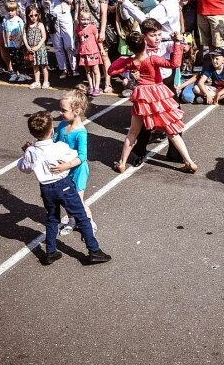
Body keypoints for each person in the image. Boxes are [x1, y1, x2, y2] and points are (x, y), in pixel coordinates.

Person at [17, 111, 111, 265]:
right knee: (82, 217)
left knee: (52, 218)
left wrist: (28, 151)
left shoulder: (31, 152)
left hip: (46, 189)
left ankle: (51, 252)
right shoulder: (60, 147)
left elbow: (24, 168)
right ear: (51, 131)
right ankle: (94, 251)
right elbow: (76, 156)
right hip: (63, 186)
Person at [107, 30, 198, 173]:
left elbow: (111, 71)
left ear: (130, 48)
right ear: (144, 43)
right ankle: (189, 161)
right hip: (158, 95)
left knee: (133, 132)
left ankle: (122, 163)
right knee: (171, 130)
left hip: (142, 97)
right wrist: (177, 43)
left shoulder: (131, 61)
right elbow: (175, 63)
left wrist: (123, 59)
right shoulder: (153, 59)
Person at [54, 85, 98, 236]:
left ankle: (89, 222)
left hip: (77, 170)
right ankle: (72, 220)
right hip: (64, 170)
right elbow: (53, 143)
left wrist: (67, 165)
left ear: (77, 111)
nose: (60, 113)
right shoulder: (61, 126)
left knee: (77, 200)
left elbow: (82, 156)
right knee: (65, 198)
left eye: (64, 110)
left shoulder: (81, 133)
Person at [43, 0, 76, 80]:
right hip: (52, 17)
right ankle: (63, 69)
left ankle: (74, 67)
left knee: (69, 43)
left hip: (64, 14)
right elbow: (43, 3)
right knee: (57, 45)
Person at [21, 5, 49, 90]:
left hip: (40, 49)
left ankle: (46, 81)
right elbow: (24, 36)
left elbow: (44, 37)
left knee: (43, 65)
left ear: (38, 15)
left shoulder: (40, 24)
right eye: (31, 15)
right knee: (35, 66)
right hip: (31, 49)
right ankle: (37, 81)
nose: (34, 17)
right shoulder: (26, 25)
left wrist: (38, 46)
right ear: (27, 16)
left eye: (36, 15)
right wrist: (27, 46)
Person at [75, 9, 102, 94]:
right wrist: (77, 50)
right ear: (79, 19)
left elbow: (98, 40)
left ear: (90, 20)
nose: (85, 21)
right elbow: (79, 41)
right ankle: (91, 86)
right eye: (83, 19)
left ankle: (97, 87)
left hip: (93, 52)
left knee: (95, 70)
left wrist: (101, 49)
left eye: (87, 19)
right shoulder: (78, 29)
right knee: (88, 71)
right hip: (84, 53)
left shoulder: (92, 28)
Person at [2, 1, 27, 83]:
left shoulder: (19, 20)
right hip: (10, 44)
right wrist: (5, 41)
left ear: (16, 10)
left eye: (12, 11)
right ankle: (14, 73)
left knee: (20, 59)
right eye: (9, 11)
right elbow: (4, 31)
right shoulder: (5, 20)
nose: (10, 13)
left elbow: (23, 32)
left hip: (18, 44)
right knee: (13, 59)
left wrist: (20, 42)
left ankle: (22, 74)